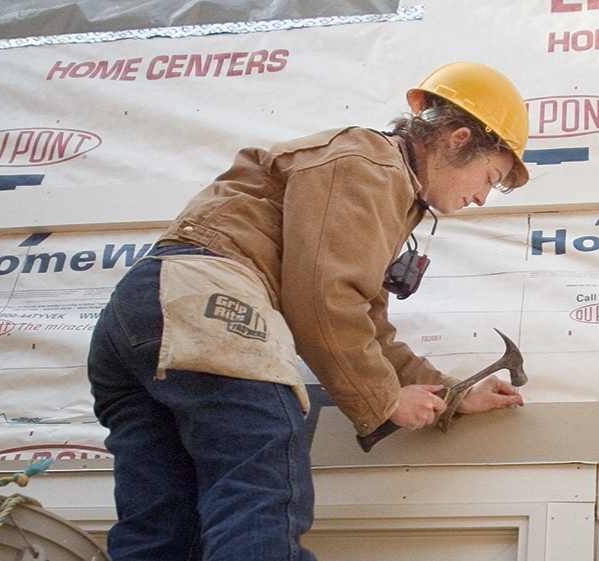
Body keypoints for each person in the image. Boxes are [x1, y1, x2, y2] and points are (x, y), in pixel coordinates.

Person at [87, 61, 530, 561]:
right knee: (261, 494)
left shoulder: (380, 184)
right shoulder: (371, 165)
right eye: (490, 177)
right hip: (207, 300)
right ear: (458, 138)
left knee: (164, 525)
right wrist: (384, 399)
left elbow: (363, 320)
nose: (481, 198)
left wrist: (451, 394)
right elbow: (323, 301)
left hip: (145, 313)